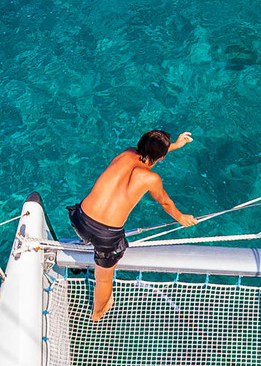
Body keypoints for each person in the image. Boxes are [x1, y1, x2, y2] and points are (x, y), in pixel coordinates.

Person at [70, 129, 197, 321]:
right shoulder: (151, 179)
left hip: (79, 219)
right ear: (161, 158)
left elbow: (148, 153)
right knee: (104, 279)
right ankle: (97, 314)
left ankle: (85, 248)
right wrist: (181, 218)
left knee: (92, 234)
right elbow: (165, 202)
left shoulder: (126, 154)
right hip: (105, 236)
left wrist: (176, 145)